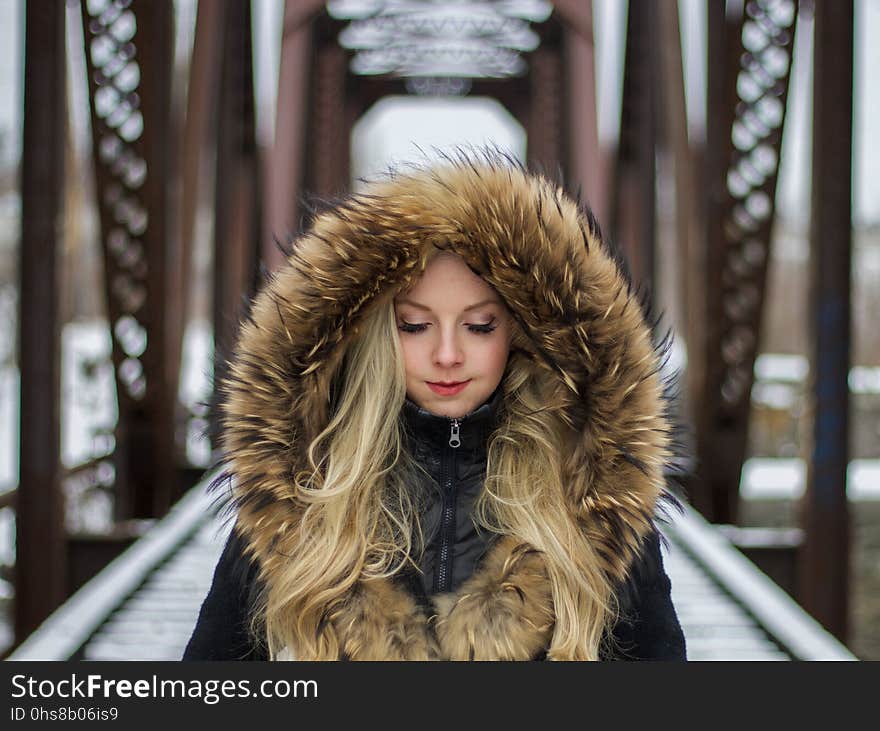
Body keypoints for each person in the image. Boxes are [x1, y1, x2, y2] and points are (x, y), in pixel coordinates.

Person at [183, 151, 687, 661]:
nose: (447, 355)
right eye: (415, 326)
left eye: (480, 325)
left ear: (519, 333)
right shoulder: (297, 497)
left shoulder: (593, 504)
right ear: (375, 333)